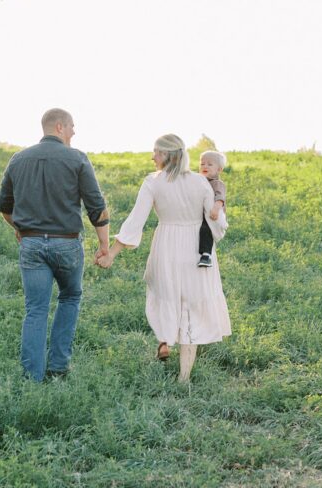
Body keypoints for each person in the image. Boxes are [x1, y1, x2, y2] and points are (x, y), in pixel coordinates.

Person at [96, 134, 230, 382]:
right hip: (196, 249)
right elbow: (218, 223)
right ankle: (184, 376)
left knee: (165, 296)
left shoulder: (154, 182)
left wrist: (112, 253)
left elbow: (136, 221)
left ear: (168, 155)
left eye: (156, 152)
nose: (152, 157)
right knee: (192, 305)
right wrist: (214, 229)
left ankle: (165, 340)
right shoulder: (200, 183)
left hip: (166, 244)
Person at [0, 108, 109, 382]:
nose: (73, 132)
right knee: (69, 297)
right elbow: (96, 206)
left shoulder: (18, 159)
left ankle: (32, 378)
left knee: (35, 309)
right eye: (71, 127)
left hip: (31, 244)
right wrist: (104, 244)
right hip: (66, 244)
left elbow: (4, 206)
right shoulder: (78, 158)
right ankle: (58, 368)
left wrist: (19, 229)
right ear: (59, 127)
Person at [197, 149, 228, 268]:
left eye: (210, 164)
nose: (205, 166)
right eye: (202, 163)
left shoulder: (216, 183)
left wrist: (216, 208)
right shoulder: (199, 181)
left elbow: (220, 197)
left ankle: (206, 255)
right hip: (202, 212)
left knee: (206, 229)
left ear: (219, 170)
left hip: (213, 213)